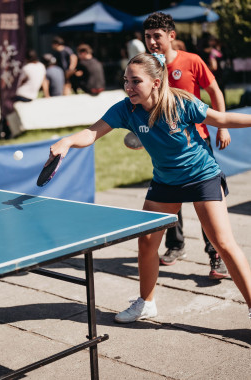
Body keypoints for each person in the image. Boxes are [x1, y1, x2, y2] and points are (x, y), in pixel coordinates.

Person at [46, 52, 251, 323]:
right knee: (146, 243)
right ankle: (146, 303)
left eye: (135, 81)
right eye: (126, 80)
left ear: (156, 82)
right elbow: (92, 132)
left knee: (223, 243)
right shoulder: (125, 109)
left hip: (202, 176)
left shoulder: (181, 102)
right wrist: (68, 141)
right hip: (166, 181)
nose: (128, 87)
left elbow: (221, 120)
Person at [143, 12, 232, 279]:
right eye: (147, 37)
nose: (152, 42)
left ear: (171, 36)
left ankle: (215, 253)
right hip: (163, 145)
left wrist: (223, 126)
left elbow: (214, 91)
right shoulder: (147, 66)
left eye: (157, 36)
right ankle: (175, 245)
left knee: (205, 199)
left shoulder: (192, 61)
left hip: (198, 141)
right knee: (168, 196)